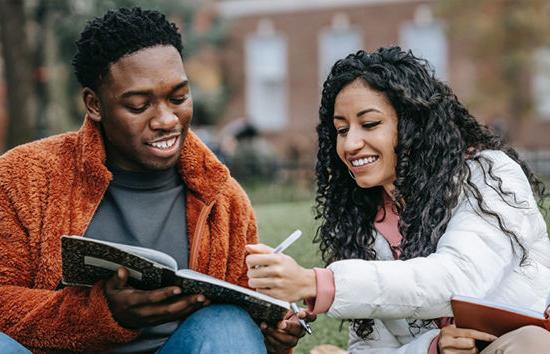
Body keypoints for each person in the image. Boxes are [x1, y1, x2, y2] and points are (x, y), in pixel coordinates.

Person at [0, 7, 312, 353]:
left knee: (229, 324)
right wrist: (101, 314)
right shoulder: (26, 176)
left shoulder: (222, 198)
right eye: (138, 105)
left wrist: (275, 335)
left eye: (179, 98)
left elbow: (241, 327)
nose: (167, 119)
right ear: (94, 104)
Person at [246, 47, 550, 353]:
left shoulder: (486, 175)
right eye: (341, 129)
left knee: (531, 344)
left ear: (413, 125)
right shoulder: (363, 220)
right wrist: (433, 347)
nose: (350, 144)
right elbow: (372, 348)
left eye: (369, 124)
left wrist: (318, 283)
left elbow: (458, 279)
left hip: (519, 342)